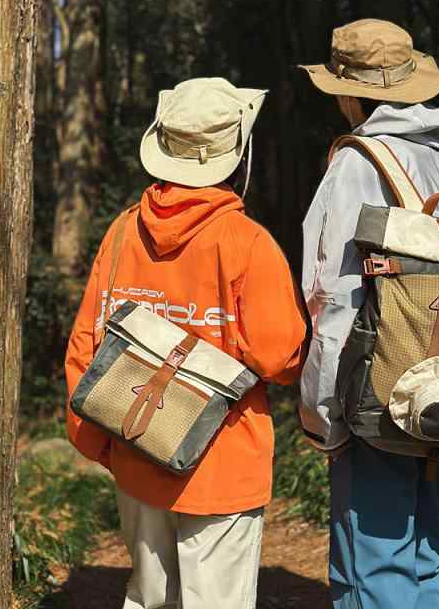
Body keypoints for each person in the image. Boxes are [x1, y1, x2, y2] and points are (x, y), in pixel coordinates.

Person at [65, 77, 307, 609]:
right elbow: (278, 356)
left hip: (136, 444)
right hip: (223, 456)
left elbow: (87, 340)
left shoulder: (123, 232)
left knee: (148, 597)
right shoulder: (247, 243)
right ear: (235, 153)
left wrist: (98, 440)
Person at [299, 19, 439, 609]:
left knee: (371, 564)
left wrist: (322, 412)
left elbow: (334, 295)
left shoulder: (358, 164)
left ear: (348, 92)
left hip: (376, 393)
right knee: (430, 552)